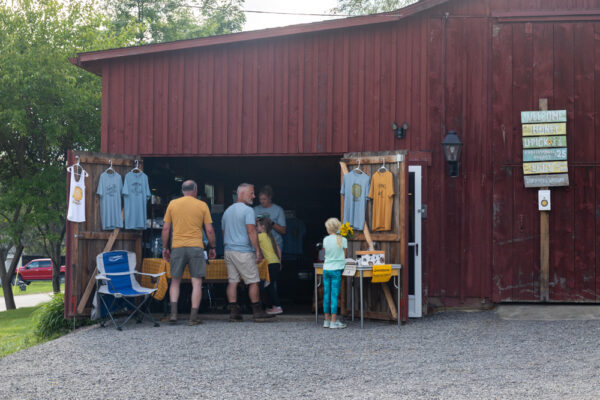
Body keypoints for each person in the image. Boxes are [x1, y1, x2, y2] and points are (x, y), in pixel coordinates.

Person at [162, 180, 216, 325]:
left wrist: (165, 248)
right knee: (196, 282)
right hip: (196, 247)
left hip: (177, 247)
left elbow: (166, 229)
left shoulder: (172, 204)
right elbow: (209, 230)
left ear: (182, 190)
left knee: (175, 281)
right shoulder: (202, 205)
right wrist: (212, 247)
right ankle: (193, 317)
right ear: (195, 190)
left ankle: (173, 314)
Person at [222, 183, 275, 322]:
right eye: (251, 193)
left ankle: (233, 312)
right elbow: (251, 231)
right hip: (244, 251)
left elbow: (223, 232)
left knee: (232, 281)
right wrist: (258, 250)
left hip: (229, 250)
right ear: (241, 194)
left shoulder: (227, 211)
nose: (254, 196)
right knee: (253, 281)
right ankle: (257, 311)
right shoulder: (248, 210)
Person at [322, 218, 347, 329]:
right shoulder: (342, 239)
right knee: (334, 295)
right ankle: (334, 321)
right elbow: (344, 255)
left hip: (326, 268)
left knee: (326, 294)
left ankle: (326, 320)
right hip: (337, 269)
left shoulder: (325, 239)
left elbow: (325, 252)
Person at [256, 217, 283, 315]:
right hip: (275, 262)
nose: (256, 228)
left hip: (270, 264)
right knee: (268, 285)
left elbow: (250, 240)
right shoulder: (270, 236)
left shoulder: (260, 236)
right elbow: (278, 250)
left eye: (257, 226)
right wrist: (280, 262)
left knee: (268, 286)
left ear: (263, 226)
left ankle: (277, 306)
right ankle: (271, 307)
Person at [254, 185, 286, 253]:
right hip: (259, 246)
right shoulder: (255, 210)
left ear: (270, 198)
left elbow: (283, 231)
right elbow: (250, 228)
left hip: (275, 245)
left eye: (264, 199)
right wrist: (256, 222)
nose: (262, 201)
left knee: (275, 263)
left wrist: (271, 222)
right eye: (260, 199)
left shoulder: (278, 210)